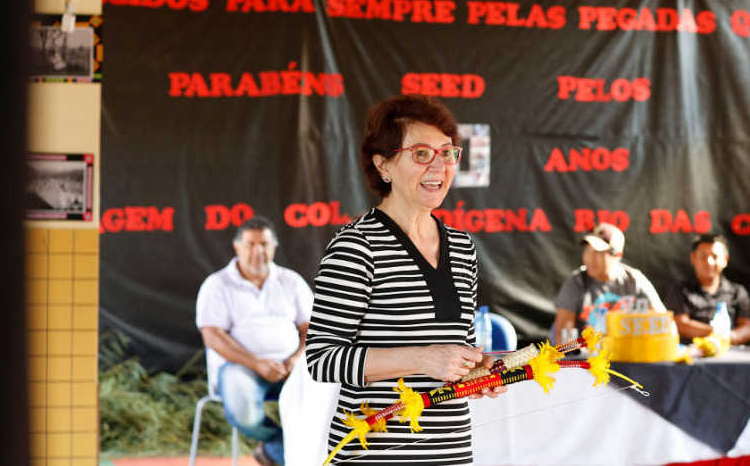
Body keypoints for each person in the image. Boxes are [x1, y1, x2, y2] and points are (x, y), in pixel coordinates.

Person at [305, 95, 504, 465]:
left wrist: (476, 371)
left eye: (447, 153)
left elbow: (455, 350)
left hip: (450, 453)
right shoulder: (355, 246)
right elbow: (322, 359)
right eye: (422, 153)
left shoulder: (461, 246)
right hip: (374, 456)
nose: (439, 166)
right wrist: (421, 359)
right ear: (384, 165)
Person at [195, 215, 313, 466]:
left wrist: (296, 359)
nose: (258, 250)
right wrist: (257, 364)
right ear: (237, 247)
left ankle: (295, 453)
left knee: (323, 401)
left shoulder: (290, 281)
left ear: (274, 247)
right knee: (245, 415)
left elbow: (311, 329)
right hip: (241, 368)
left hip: (291, 367)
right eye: (251, 244)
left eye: (264, 244)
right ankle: (280, 449)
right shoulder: (217, 285)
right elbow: (212, 336)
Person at [553, 222, 665, 343]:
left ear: (617, 255)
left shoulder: (635, 280)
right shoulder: (576, 282)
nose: (590, 258)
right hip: (589, 358)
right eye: (587, 250)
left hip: (627, 354)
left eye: (598, 252)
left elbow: (664, 323)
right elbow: (562, 340)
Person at [664, 234, 750, 345]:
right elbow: (681, 324)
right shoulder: (679, 289)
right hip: (690, 355)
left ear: (725, 260)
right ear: (693, 258)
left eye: (715, 256)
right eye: (703, 256)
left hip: (729, 356)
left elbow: (748, 328)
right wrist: (718, 333)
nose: (709, 262)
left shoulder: (737, 292)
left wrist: (731, 336)